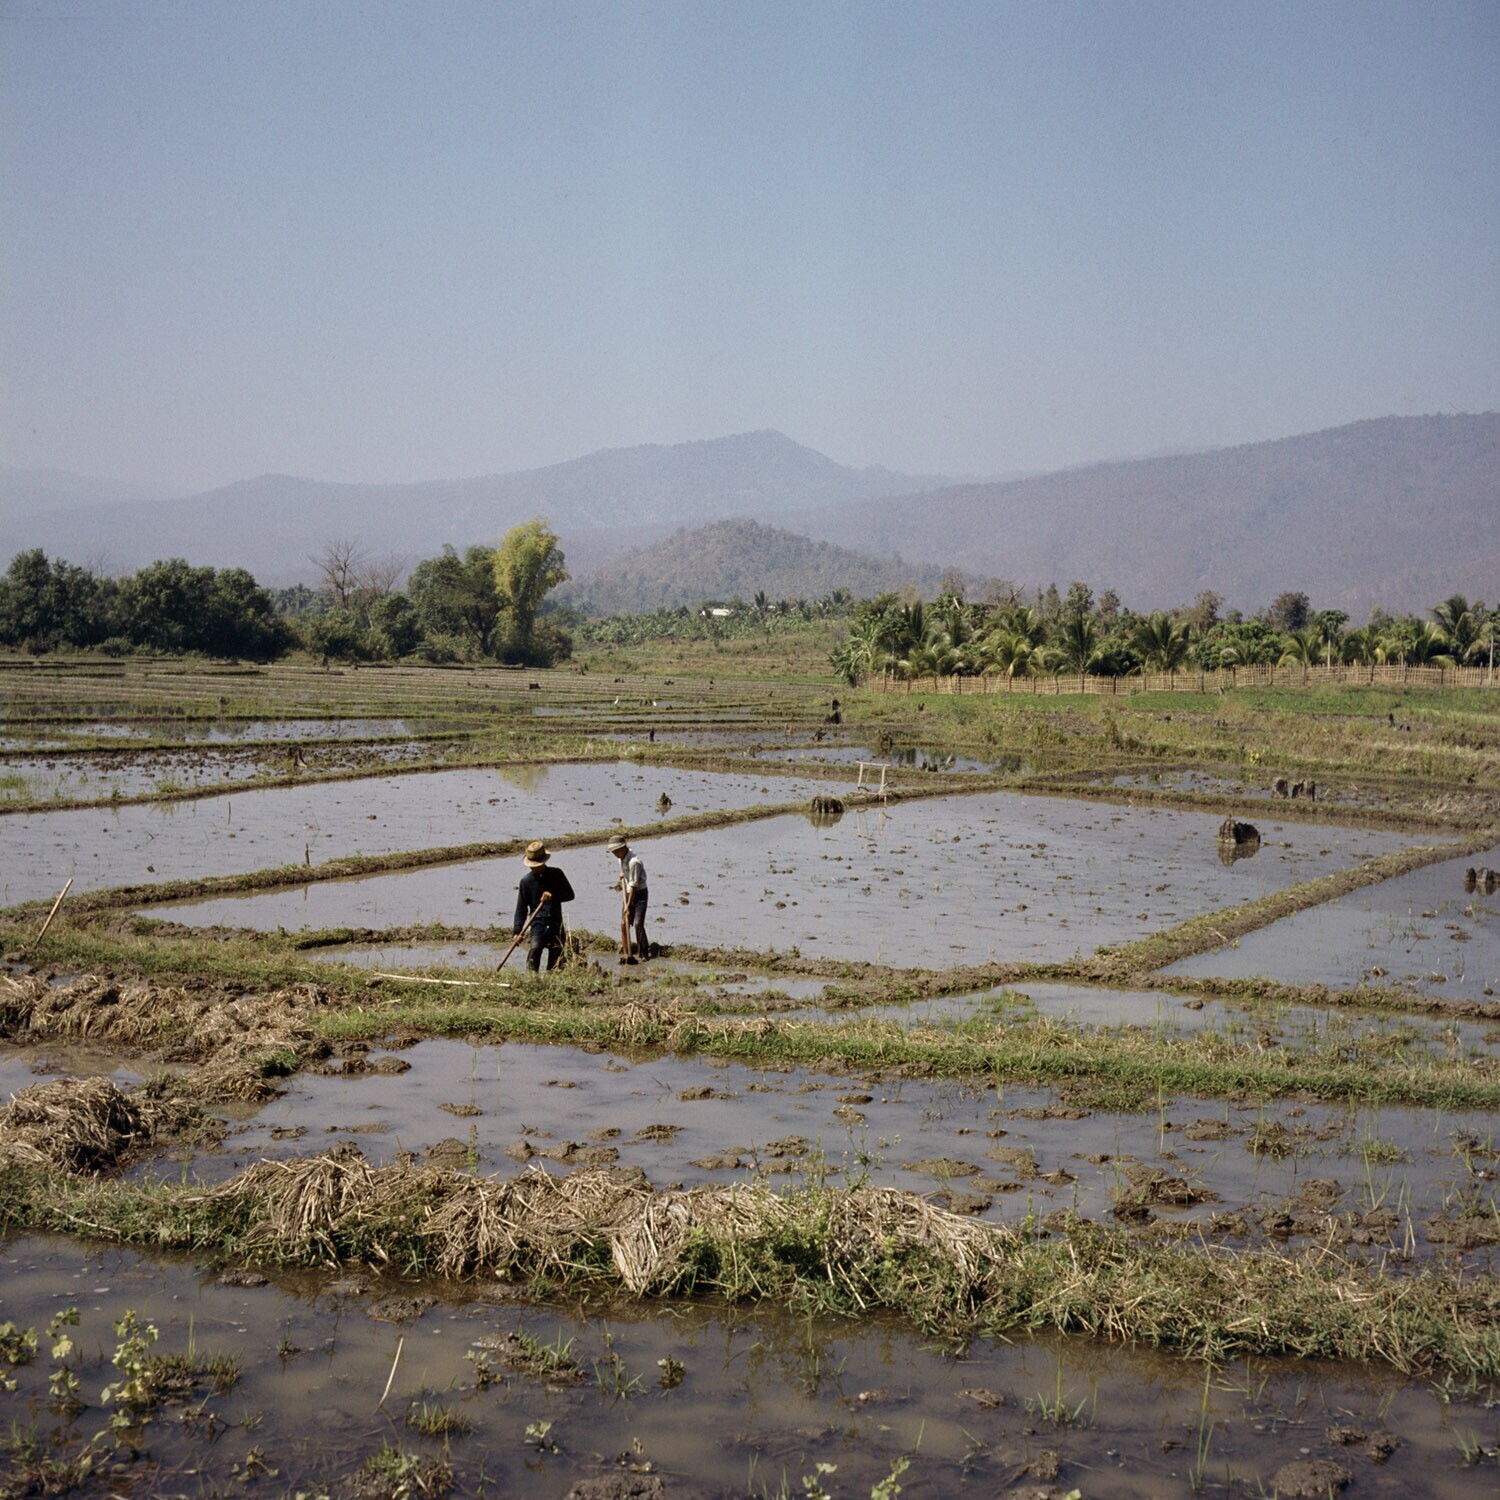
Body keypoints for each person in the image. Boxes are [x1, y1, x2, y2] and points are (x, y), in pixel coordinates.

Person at [513, 840, 574, 972]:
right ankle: (532, 978)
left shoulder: (556, 874)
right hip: (537, 923)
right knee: (535, 949)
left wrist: (553, 896)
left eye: (537, 865)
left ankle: (553, 979)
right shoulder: (526, 882)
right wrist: (517, 931)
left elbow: (570, 895)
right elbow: (521, 909)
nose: (534, 868)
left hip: (555, 922)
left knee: (556, 954)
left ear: (544, 862)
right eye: (532, 866)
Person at [607, 836, 649, 962]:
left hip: (639, 893)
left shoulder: (634, 862)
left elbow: (634, 885)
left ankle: (643, 953)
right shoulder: (621, 858)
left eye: (616, 851)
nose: (614, 854)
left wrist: (628, 905)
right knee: (624, 923)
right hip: (629, 892)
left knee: (637, 924)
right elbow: (627, 874)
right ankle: (626, 952)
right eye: (613, 852)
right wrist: (623, 875)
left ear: (623, 848)